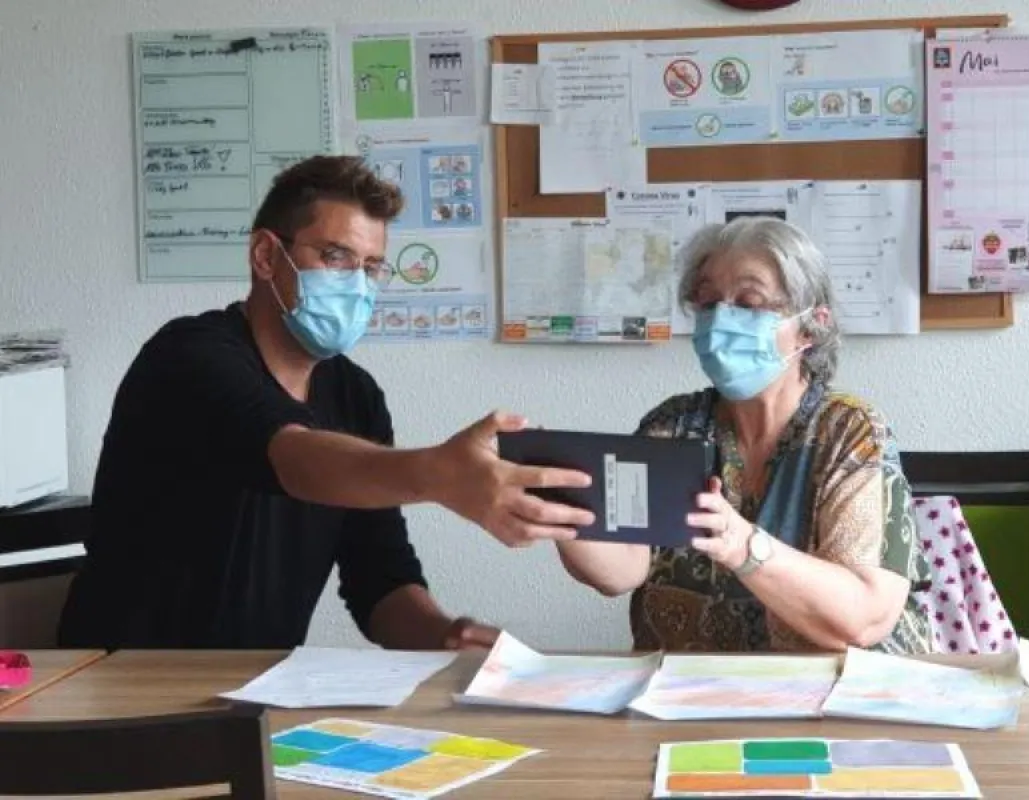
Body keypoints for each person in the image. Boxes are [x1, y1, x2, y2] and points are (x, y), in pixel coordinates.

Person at [58, 156, 593, 651]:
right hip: (122, 682)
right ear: (266, 255)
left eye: (372, 266)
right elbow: (293, 457)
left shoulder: (356, 395)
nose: (356, 283)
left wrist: (446, 636)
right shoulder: (189, 356)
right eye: (335, 256)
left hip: (257, 690)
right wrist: (441, 474)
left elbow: (379, 581)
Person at [556, 217, 932, 654]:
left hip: (834, 691)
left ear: (811, 326)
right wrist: (557, 510)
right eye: (708, 302)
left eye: (749, 303)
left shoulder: (850, 432)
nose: (721, 319)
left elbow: (863, 619)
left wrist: (742, 545)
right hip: (686, 688)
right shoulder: (672, 427)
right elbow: (622, 570)